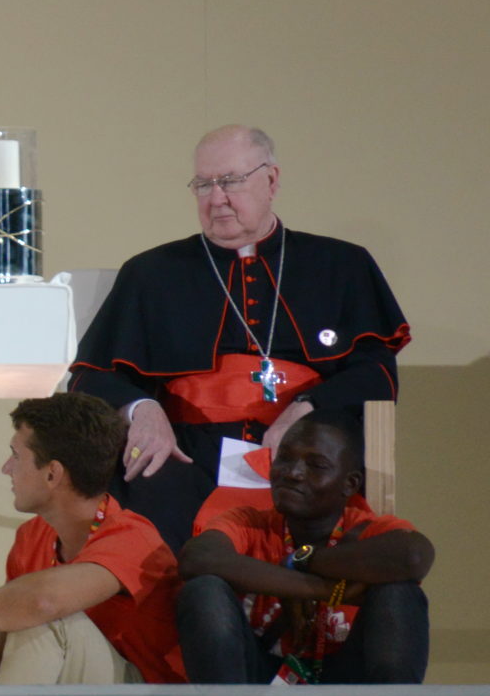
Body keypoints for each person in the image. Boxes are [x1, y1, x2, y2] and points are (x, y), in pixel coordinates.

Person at [70, 125, 410, 547]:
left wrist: (305, 409)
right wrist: (143, 410)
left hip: (303, 452)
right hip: (186, 453)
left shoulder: (341, 264)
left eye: (230, 181)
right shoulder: (152, 273)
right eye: (203, 185)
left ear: (271, 180)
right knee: (152, 526)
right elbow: (91, 377)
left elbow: (377, 375)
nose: (216, 199)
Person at [0, 393, 185, 685]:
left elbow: (44, 602)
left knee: (45, 618)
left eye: (16, 455)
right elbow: (0, 664)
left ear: (52, 474)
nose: (6, 468)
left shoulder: (134, 538)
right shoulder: (31, 537)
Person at [178, 413, 431, 684]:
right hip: (257, 684)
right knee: (203, 588)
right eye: (285, 458)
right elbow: (197, 558)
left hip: (348, 687)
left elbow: (413, 555)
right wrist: (327, 590)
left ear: (350, 484)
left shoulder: (367, 529)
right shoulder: (248, 522)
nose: (293, 473)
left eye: (316, 465)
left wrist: (304, 559)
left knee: (399, 592)